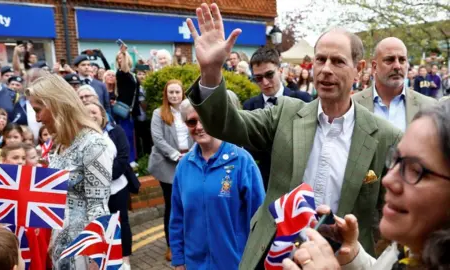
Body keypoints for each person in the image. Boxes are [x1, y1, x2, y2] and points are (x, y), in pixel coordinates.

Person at [184, 4, 402, 269]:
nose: (325, 69)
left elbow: (391, 216)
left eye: (338, 61)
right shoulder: (286, 113)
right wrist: (211, 71)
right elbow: (226, 124)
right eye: (320, 60)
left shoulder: (385, 136)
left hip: (342, 261)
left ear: (359, 68)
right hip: (278, 256)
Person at [282, 100, 450, 270]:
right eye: (395, 159)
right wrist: (352, 254)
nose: (388, 180)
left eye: (415, 170)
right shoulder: (405, 247)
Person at [25, 73, 113, 269]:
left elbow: (98, 206)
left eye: (38, 110)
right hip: (60, 244)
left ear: (55, 104)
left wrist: (96, 259)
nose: (38, 119)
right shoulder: (58, 143)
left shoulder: (94, 143)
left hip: (83, 250)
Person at [170, 99, 265, 270]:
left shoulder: (242, 161)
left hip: (236, 263)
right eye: (192, 122)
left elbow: (260, 217)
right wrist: (178, 259)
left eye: (204, 119)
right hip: (195, 265)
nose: (199, 127)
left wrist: (257, 261)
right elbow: (177, 217)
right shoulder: (184, 167)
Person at [242, 47, 312, 190]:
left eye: (269, 75)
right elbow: (248, 148)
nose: (265, 82)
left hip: (297, 182)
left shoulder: (302, 100)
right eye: (258, 78)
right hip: (263, 182)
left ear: (280, 70)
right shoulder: (250, 106)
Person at [148, 79, 193, 262]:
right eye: (170, 92)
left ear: (183, 93)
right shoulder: (159, 113)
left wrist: (191, 154)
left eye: (177, 92)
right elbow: (158, 139)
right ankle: (172, 246)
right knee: (172, 206)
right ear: (166, 95)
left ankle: (189, 241)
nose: (174, 95)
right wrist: (176, 155)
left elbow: (197, 132)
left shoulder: (190, 110)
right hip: (168, 164)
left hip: (190, 160)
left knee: (190, 203)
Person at [85, 101, 133, 270]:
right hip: (93, 192)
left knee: (121, 224)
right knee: (99, 225)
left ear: (102, 115)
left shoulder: (115, 131)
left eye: (94, 112)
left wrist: (103, 177)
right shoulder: (80, 138)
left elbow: (123, 157)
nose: (91, 116)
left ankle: (124, 259)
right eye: (87, 113)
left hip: (117, 188)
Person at [352, 37, 436, 131]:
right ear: (374, 67)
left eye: (402, 60)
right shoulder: (352, 105)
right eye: (389, 60)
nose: (397, 66)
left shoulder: (430, 107)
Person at [115, 44, 140, 163]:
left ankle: (133, 159)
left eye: (122, 57)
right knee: (126, 136)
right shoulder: (120, 73)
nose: (120, 60)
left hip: (131, 110)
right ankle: (129, 160)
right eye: (118, 58)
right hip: (123, 111)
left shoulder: (133, 75)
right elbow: (125, 68)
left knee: (132, 136)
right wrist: (123, 53)